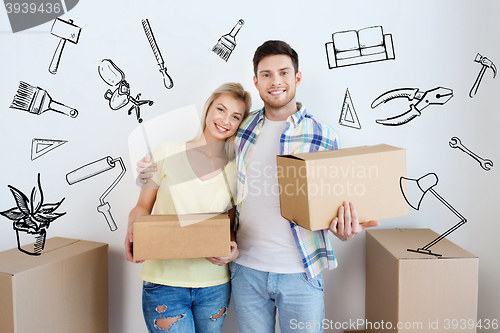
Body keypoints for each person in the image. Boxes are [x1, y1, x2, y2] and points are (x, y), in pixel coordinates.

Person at [138, 41, 379, 333]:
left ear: (297, 78)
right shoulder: (241, 130)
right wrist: (147, 170)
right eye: (266, 74)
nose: (275, 81)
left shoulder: (323, 135)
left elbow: (335, 203)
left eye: (283, 73)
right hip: (246, 270)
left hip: (300, 271)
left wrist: (343, 229)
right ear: (256, 81)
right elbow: (211, 179)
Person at [125, 82, 252, 333]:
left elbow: (229, 226)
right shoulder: (165, 154)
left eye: (235, 116)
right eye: (221, 109)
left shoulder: (237, 170)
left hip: (214, 286)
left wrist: (232, 250)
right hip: (163, 283)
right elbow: (141, 207)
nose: (225, 120)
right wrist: (132, 231)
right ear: (208, 109)